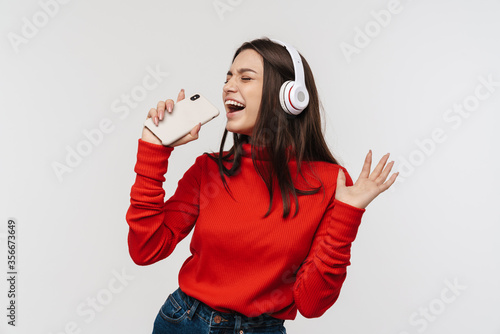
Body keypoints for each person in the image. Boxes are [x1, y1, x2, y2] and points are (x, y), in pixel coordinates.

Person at [126, 37, 398, 334]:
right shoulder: (208, 170)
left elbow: (311, 304)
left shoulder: (330, 182)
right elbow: (146, 249)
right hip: (183, 322)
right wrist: (153, 150)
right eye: (228, 77)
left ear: (290, 97)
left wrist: (347, 215)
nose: (229, 86)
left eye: (245, 77)